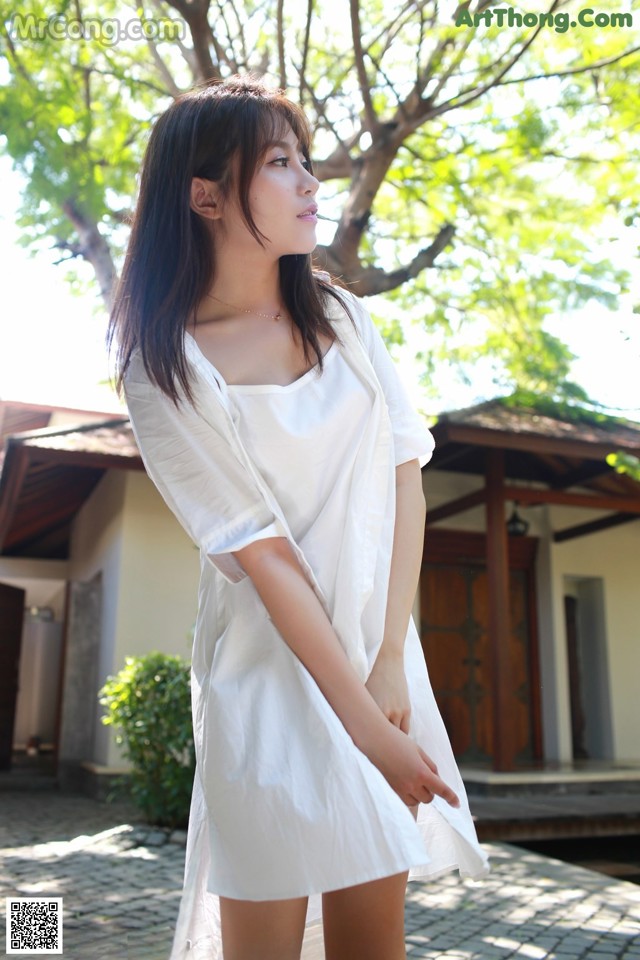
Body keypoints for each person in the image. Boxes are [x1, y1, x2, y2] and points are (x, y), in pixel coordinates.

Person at [109, 76, 488, 960]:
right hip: (265, 686)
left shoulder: (346, 319)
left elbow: (405, 476)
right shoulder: (162, 367)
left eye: (305, 160)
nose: (311, 182)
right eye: (280, 163)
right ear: (205, 196)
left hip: (374, 659)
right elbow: (263, 554)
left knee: (370, 943)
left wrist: (389, 661)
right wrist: (359, 720)